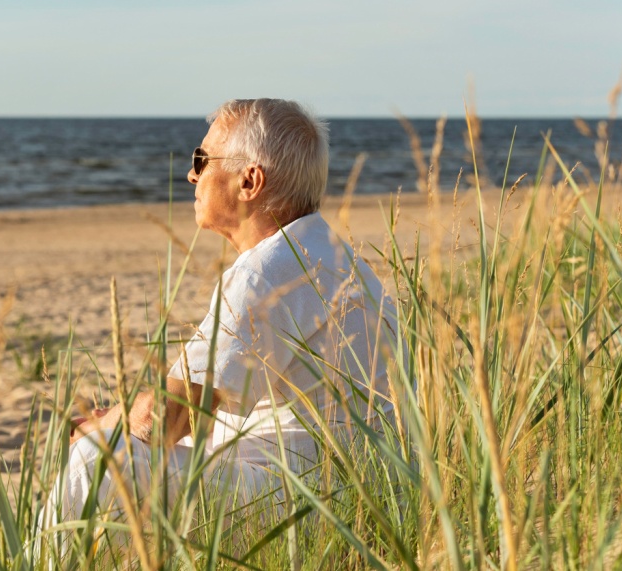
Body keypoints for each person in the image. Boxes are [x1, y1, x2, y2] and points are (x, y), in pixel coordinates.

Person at [41, 98, 400, 558]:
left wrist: (97, 429)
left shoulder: (268, 270)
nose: (192, 176)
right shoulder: (332, 255)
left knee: (96, 461)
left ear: (249, 181)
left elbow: (167, 417)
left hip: (305, 502)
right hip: (359, 492)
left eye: (201, 160)